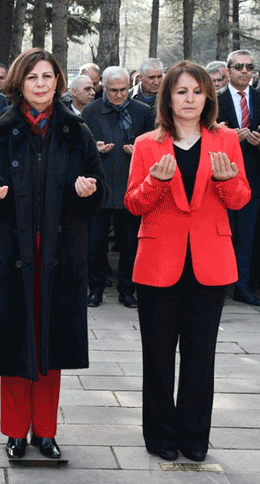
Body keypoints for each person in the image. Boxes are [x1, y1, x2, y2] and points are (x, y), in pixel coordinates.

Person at [0, 47, 108, 460]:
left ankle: (45, 431)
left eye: (47, 77)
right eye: (33, 78)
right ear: (19, 83)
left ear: (58, 82)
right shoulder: (0, 129)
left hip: (59, 255)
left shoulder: (75, 131)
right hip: (11, 255)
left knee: (51, 345)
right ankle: (14, 431)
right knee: (15, 345)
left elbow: (98, 189)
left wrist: (89, 191)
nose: (41, 84)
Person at [125, 61, 251, 462]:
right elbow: (133, 204)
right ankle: (160, 435)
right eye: (181, 91)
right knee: (158, 356)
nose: (190, 99)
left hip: (209, 262)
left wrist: (226, 179)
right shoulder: (147, 144)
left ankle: (195, 436)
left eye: (197, 91)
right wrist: (155, 182)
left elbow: (240, 199)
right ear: (168, 98)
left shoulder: (226, 140)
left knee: (201, 355)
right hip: (159, 262)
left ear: (208, 97)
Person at [82, 66, 154, 308]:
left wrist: (140, 152)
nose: (119, 95)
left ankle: (127, 290)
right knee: (95, 244)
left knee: (130, 245)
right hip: (100, 187)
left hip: (129, 186)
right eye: (113, 90)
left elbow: (155, 144)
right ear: (103, 87)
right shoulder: (90, 112)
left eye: (123, 90)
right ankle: (96, 289)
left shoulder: (142, 111)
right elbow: (78, 146)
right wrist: (94, 147)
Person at [216, 50, 260, 306]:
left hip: (253, 178)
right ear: (228, 71)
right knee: (221, 235)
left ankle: (242, 285)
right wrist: (226, 137)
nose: (245, 71)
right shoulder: (213, 99)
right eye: (239, 66)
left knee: (246, 238)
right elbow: (205, 132)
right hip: (221, 176)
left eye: (249, 67)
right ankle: (216, 285)